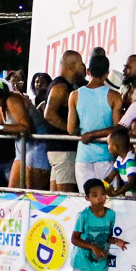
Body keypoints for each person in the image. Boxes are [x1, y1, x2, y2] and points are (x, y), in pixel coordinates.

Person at [69, 51, 122, 187]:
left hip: (83, 156)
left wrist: (87, 132)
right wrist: (94, 134)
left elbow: (71, 129)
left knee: (86, 200)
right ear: (107, 74)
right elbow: (117, 128)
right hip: (106, 155)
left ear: (88, 71)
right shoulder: (114, 96)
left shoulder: (74, 95)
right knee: (109, 199)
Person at [42, 51, 84, 192]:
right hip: (63, 150)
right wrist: (71, 130)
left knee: (55, 197)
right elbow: (49, 114)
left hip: (59, 149)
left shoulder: (64, 85)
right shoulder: (61, 86)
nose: (83, 67)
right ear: (72, 65)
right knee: (66, 197)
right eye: (80, 64)